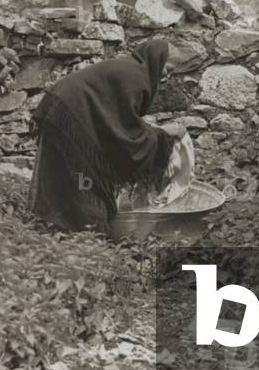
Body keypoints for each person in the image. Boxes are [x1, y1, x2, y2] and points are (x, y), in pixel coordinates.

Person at [28, 39, 187, 233]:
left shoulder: (133, 71)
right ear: (157, 60)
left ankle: (60, 225)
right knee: (80, 176)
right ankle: (83, 229)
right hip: (68, 115)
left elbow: (115, 118)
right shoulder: (137, 77)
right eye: (167, 69)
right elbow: (126, 133)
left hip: (63, 109)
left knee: (71, 175)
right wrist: (162, 135)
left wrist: (153, 132)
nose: (167, 77)